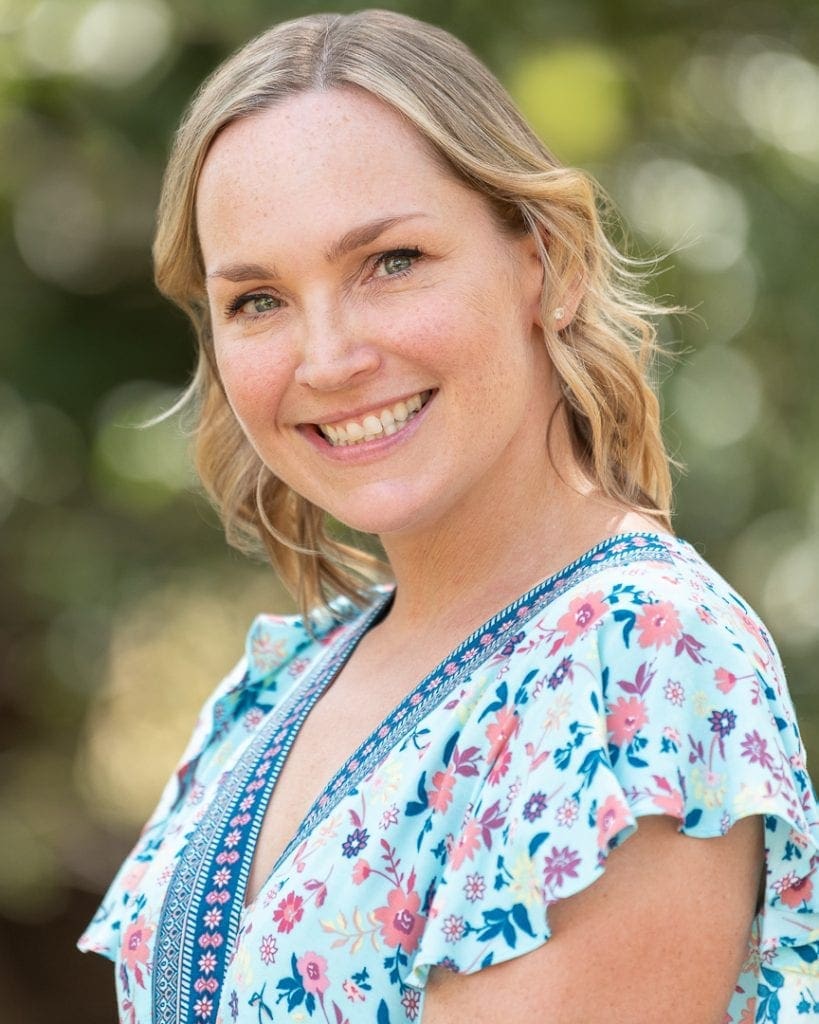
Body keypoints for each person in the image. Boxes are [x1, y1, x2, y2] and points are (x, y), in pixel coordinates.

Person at [78, 10, 818, 1023]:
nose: (328, 357)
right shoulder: (276, 689)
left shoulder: (640, 657)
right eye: (258, 299)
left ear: (544, 265)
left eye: (391, 261)